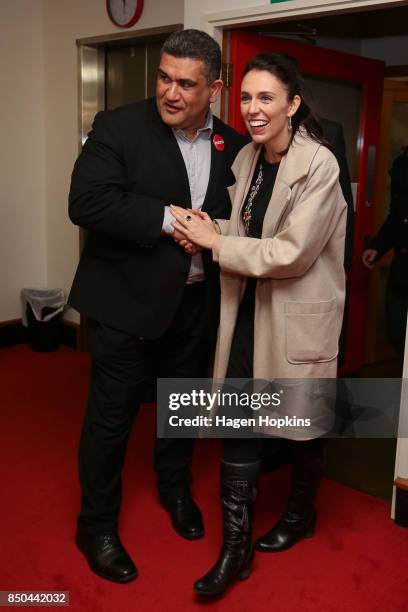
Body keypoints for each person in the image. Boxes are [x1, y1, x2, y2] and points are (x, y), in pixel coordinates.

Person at [68, 29, 246, 583]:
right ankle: (95, 524)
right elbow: (88, 201)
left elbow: (239, 218)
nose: (171, 92)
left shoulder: (236, 145)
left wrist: (211, 228)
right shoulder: (118, 125)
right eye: (164, 78)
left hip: (196, 304)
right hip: (125, 305)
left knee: (184, 408)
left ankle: (175, 490)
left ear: (214, 89)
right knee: (111, 420)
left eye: (186, 84)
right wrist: (174, 223)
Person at [171, 52, 347, 596]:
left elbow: (292, 251)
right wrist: (209, 227)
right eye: (246, 97)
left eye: (266, 97)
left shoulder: (320, 164)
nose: (252, 108)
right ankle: (235, 551)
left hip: (296, 315)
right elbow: (250, 227)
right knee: (239, 426)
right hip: (247, 310)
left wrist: (217, 244)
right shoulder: (247, 157)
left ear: (293, 103)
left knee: (301, 427)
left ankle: (299, 515)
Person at [362, 147, 408, 355]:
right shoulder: (403, 163)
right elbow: (397, 216)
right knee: (397, 332)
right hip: (402, 270)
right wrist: (378, 247)